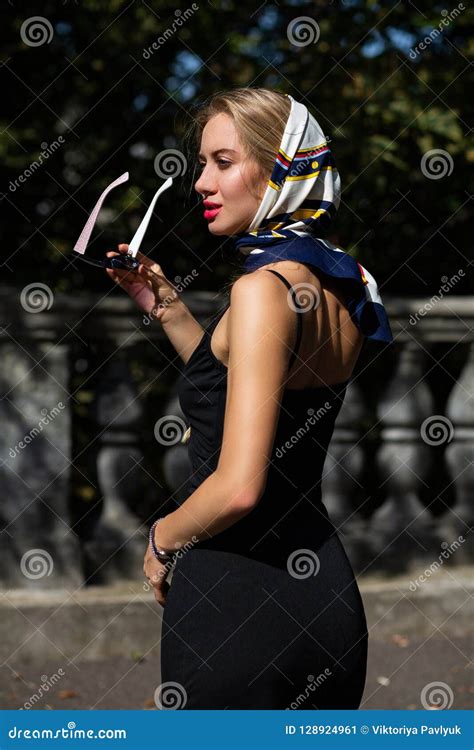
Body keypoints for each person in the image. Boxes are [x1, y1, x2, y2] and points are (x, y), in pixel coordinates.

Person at [106, 88, 393, 710]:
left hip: (235, 601)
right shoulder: (337, 280)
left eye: (223, 162)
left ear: (278, 167)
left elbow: (239, 488)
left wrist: (161, 538)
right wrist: (167, 305)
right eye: (203, 163)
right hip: (324, 605)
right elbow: (235, 391)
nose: (201, 182)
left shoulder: (261, 289)